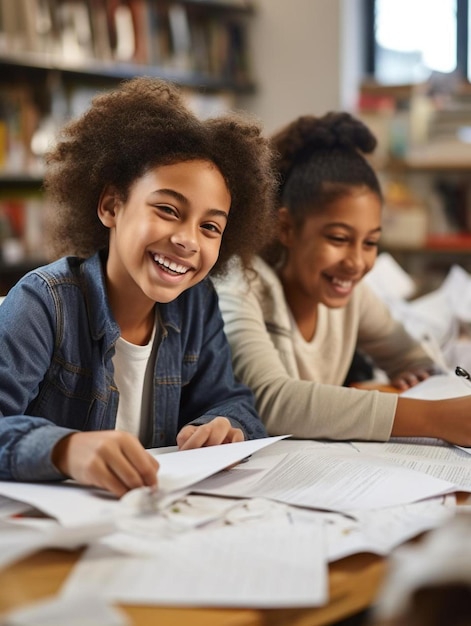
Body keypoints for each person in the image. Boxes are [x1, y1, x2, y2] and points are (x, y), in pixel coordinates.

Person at [0, 77, 277, 497]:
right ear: (112, 206)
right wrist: (64, 449)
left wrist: (224, 425)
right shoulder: (42, 304)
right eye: (167, 209)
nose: (188, 240)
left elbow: (232, 401)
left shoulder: (196, 305)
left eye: (210, 227)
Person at [214, 112, 471, 446]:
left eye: (370, 243)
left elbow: (412, 358)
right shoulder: (241, 284)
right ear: (286, 228)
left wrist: (419, 371)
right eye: (338, 238)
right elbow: (269, 401)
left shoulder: (351, 294)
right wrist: (435, 418)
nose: (356, 262)